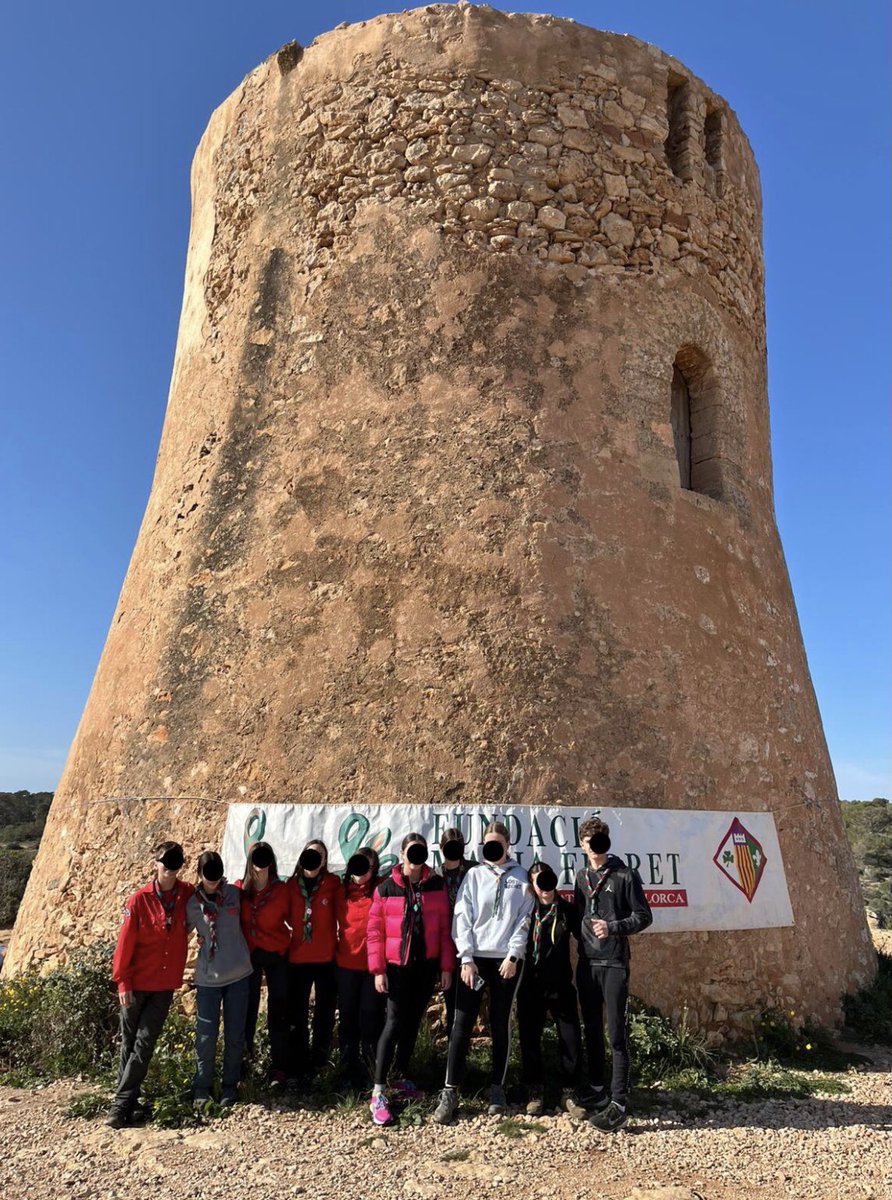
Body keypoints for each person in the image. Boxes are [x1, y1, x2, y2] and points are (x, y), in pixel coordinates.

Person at [433, 820, 534, 1125]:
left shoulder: (521, 878)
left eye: (497, 844)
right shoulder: (475, 875)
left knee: (500, 1023)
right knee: (461, 1023)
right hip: (475, 961)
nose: (492, 849)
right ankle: (450, 1091)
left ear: (507, 845)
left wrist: (514, 954)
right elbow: (463, 916)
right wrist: (465, 958)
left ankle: (497, 1090)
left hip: (506, 962)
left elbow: (524, 919)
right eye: (487, 844)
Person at [367, 833, 455, 1126]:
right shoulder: (386, 887)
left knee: (413, 1021)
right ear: (402, 854)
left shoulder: (436, 884)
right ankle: (378, 1091)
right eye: (411, 851)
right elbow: (375, 932)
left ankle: (400, 1077)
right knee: (392, 1023)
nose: (416, 857)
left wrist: (446, 967)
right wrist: (378, 969)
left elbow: (444, 929)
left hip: (425, 967)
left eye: (420, 851)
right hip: (396, 968)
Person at [107, 840, 194, 1128]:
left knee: (143, 1044)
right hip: (136, 982)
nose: (170, 869)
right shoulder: (139, 900)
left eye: (175, 864)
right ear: (154, 864)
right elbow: (125, 944)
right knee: (129, 1044)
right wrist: (122, 982)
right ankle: (127, 1103)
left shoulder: (186, 895)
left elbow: (211, 897)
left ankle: (120, 1105)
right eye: (165, 863)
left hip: (164, 984)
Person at [573, 816, 652, 1131]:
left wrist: (613, 927)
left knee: (616, 1035)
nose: (594, 845)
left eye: (599, 838)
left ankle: (619, 1102)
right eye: (589, 840)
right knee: (591, 1030)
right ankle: (596, 1089)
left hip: (614, 963)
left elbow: (644, 916)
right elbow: (580, 914)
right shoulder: (581, 877)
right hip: (587, 963)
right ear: (582, 845)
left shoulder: (625, 875)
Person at [516, 861, 585, 1118]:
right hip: (530, 985)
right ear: (533, 887)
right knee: (529, 1037)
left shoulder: (567, 910)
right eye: (538, 882)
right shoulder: (524, 912)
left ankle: (570, 1091)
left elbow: (585, 938)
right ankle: (534, 1091)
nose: (544, 888)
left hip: (560, 985)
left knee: (570, 1038)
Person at [186, 850, 253, 1111]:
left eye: (216, 874)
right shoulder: (191, 904)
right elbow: (179, 932)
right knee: (205, 1036)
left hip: (238, 975)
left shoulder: (234, 895)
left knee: (235, 1034)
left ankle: (229, 1086)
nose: (213, 880)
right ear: (200, 875)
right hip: (208, 979)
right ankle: (202, 1087)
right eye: (207, 875)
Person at [238, 841, 291, 1088]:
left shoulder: (282, 890)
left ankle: (279, 1068)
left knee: (279, 1011)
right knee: (246, 1010)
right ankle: (243, 1067)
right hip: (249, 955)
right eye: (256, 857)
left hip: (276, 954)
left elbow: (301, 917)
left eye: (265, 857)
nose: (260, 863)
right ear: (250, 860)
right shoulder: (239, 890)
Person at [287, 838, 339, 1087]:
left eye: (319, 855)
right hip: (297, 959)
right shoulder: (290, 886)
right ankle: (297, 1065)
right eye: (310, 854)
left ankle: (319, 1064)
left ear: (325, 861)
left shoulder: (333, 884)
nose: (314, 859)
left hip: (327, 959)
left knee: (324, 1014)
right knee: (297, 1015)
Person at [334, 847, 385, 1089]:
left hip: (372, 969)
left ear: (374, 869)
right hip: (345, 966)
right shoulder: (340, 892)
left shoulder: (381, 890)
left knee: (370, 1019)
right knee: (347, 1019)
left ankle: (370, 1074)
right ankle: (346, 1071)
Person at [438, 826, 474, 1040]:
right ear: (441, 848)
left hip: (471, 943)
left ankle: (463, 1052)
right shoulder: (434, 876)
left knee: (469, 1002)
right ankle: (452, 1054)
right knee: (451, 999)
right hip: (445, 947)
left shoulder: (474, 870)